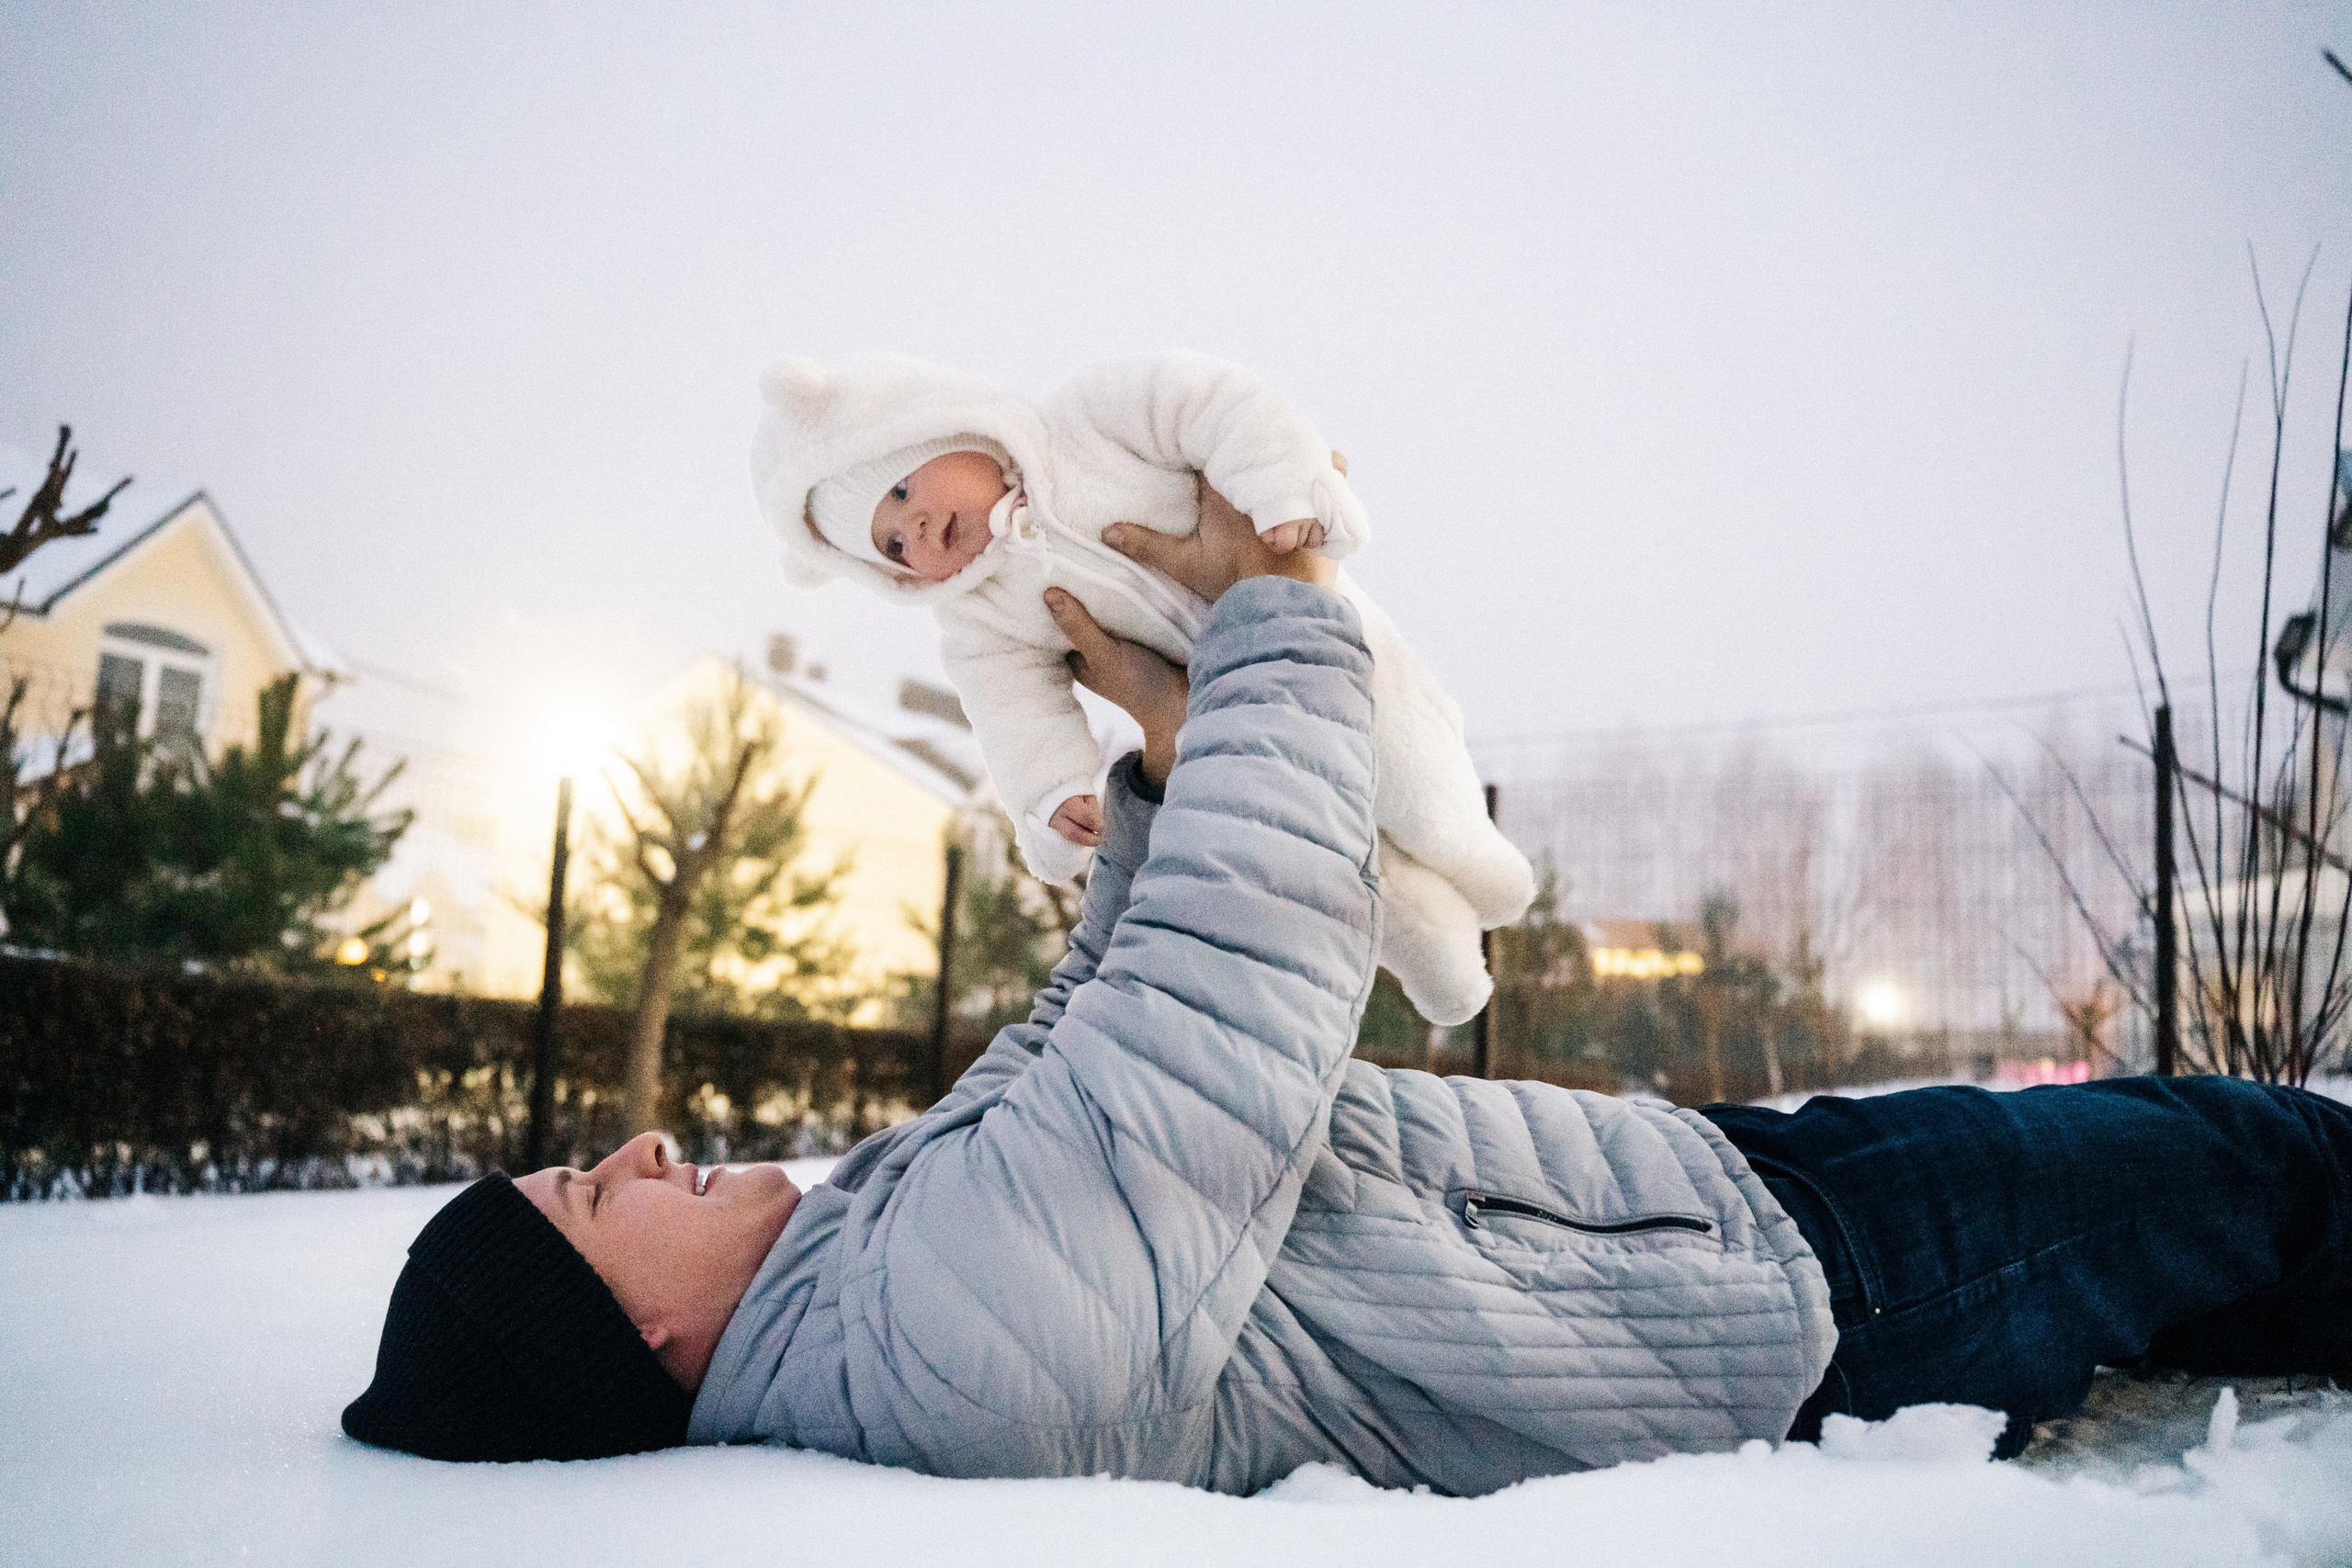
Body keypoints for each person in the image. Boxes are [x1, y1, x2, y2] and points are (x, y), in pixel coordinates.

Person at [343, 496, 2352, 1488]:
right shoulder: (933, 1344)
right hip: (1758, 1303)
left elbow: (1096, 1029)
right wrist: (1272, 635)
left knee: (2210, 1183)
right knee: (2227, 1163)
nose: (637, 1141)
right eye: (595, 1196)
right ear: (643, 1340)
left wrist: (1151, 769)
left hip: (1673, 1207)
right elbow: (1236, 997)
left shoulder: (863, 1279)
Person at [750, 349, 1532, 1024]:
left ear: (949, 424)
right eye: (889, 544)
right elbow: (1010, 708)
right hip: (1219, 719)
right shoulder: (979, 622)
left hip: (1326, 630)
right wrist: (1051, 797)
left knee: (1413, 763)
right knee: (1327, 850)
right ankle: (1439, 963)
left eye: (900, 489)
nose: (913, 527)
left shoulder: (1090, 421)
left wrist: (1281, 486)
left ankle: (1484, 865)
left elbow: (1212, 400)